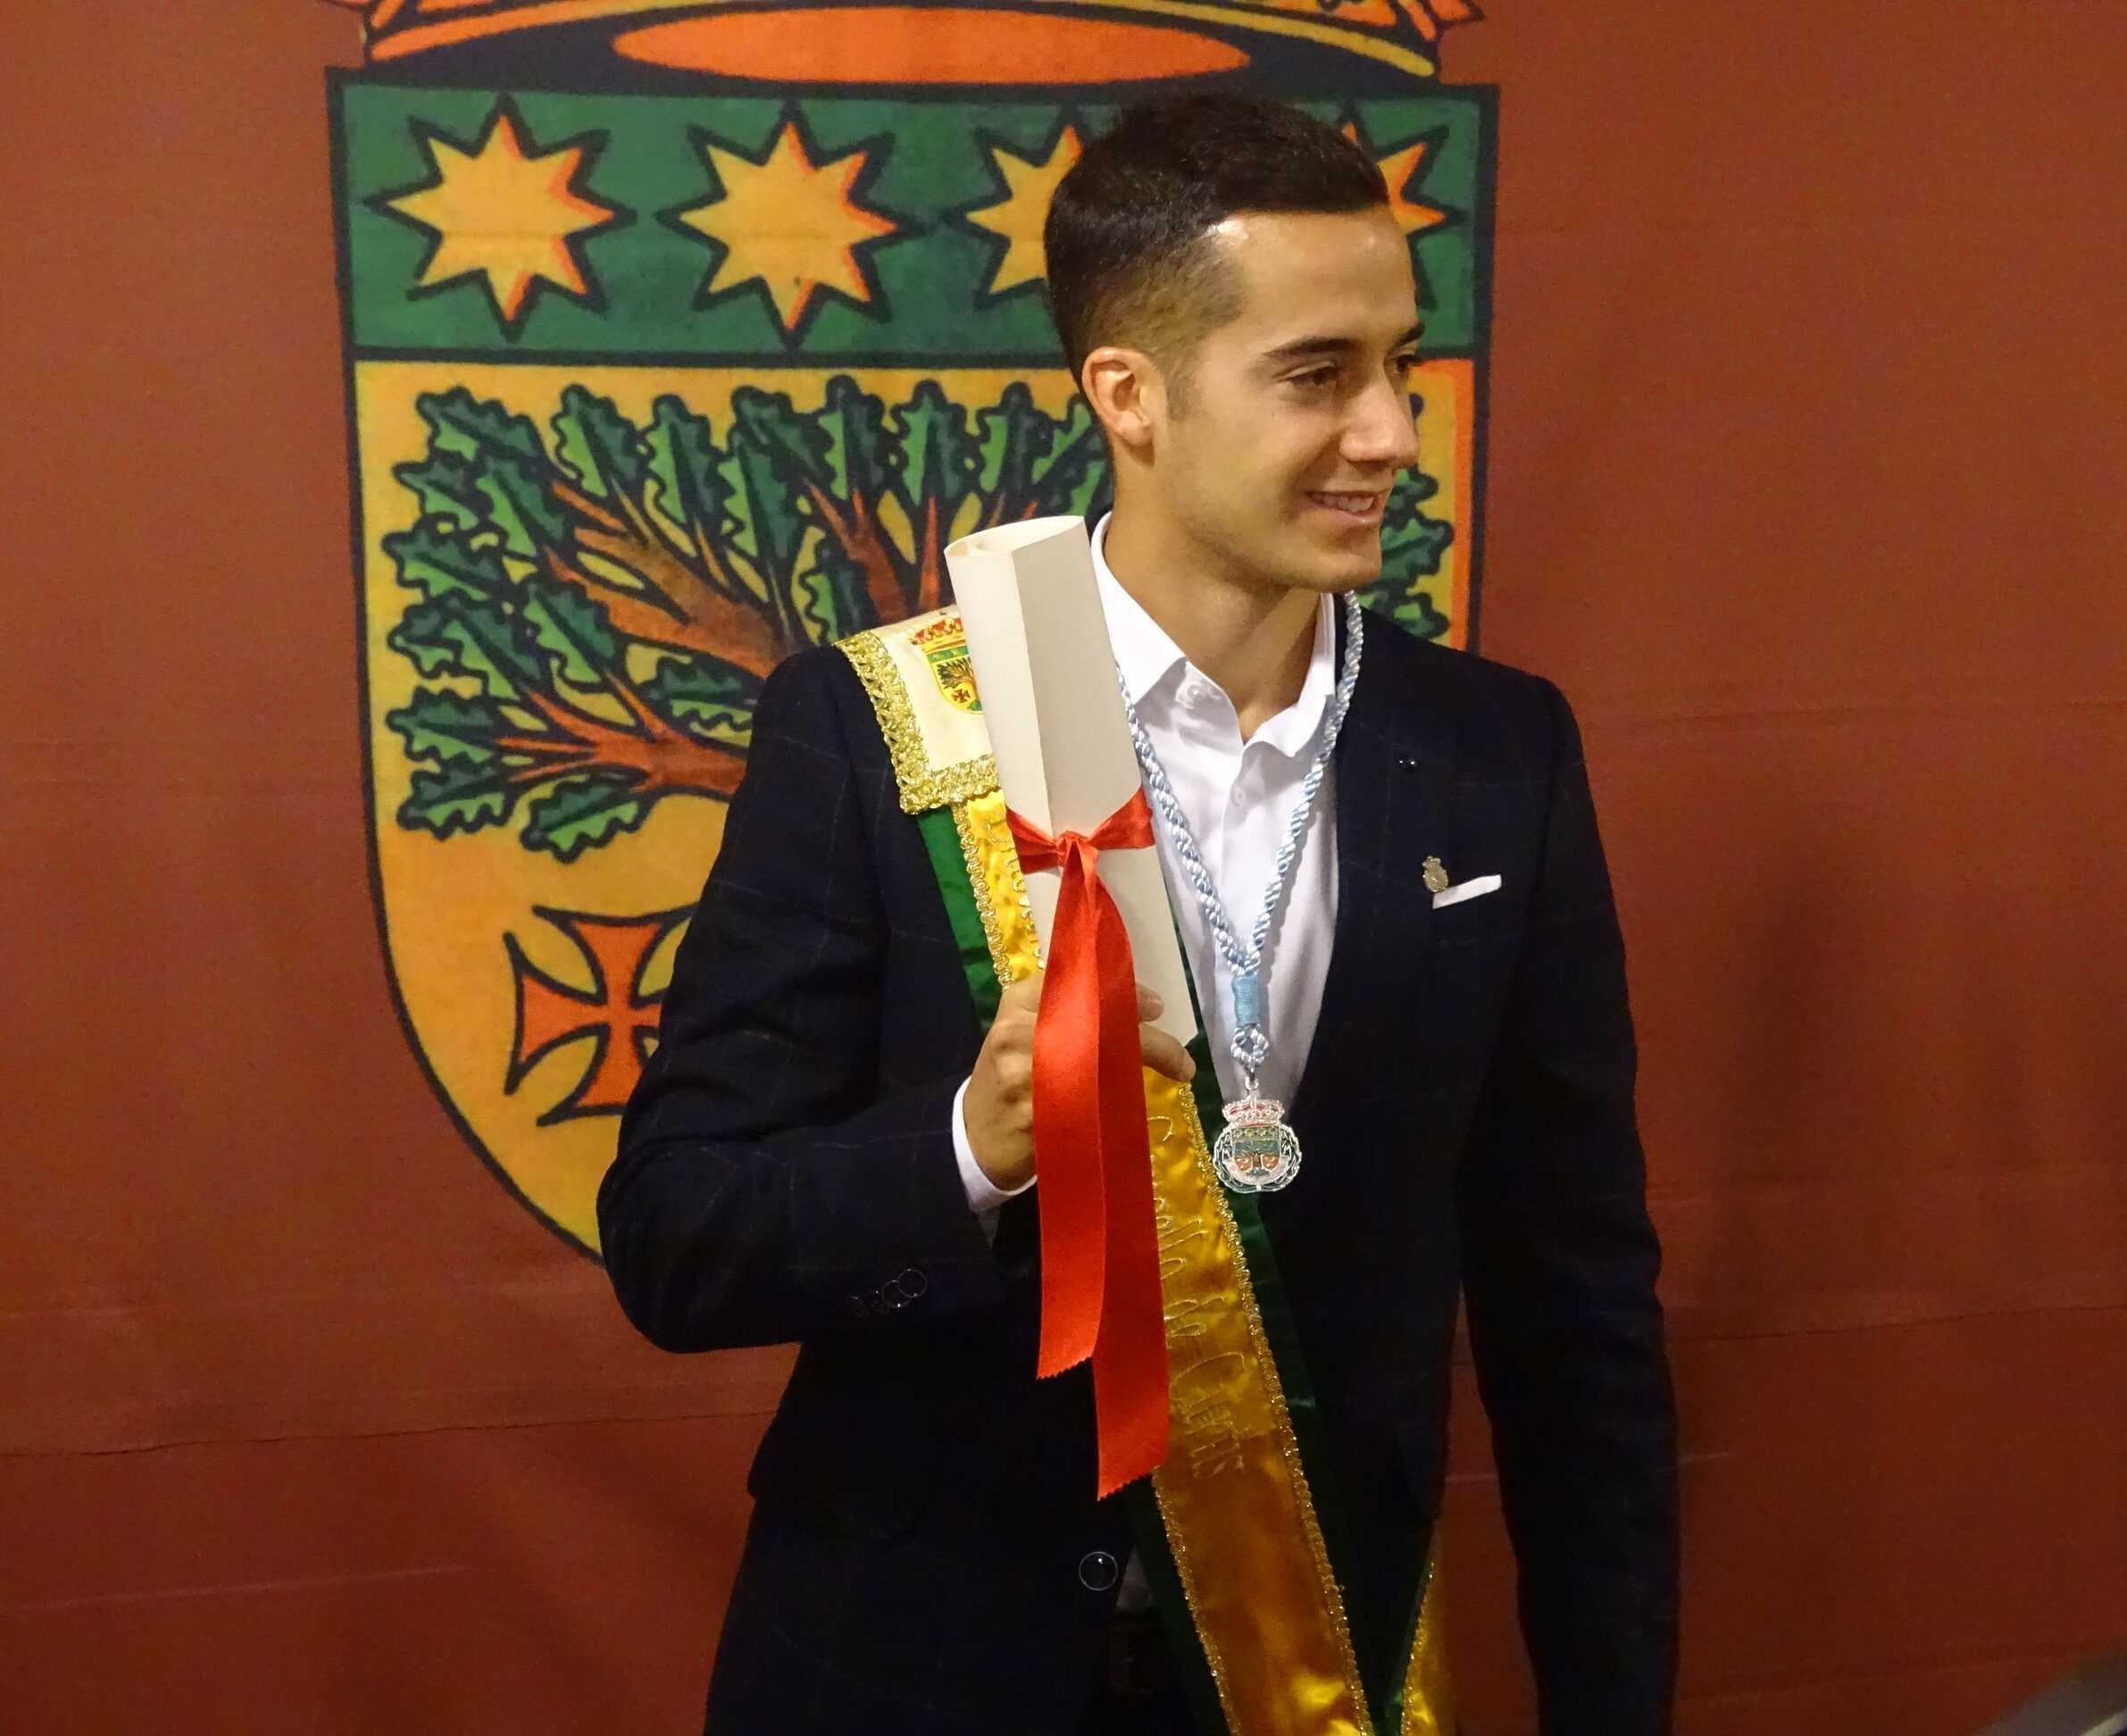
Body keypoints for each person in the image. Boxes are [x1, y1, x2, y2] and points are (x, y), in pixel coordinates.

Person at [600, 93, 1677, 1736]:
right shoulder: (874, 724)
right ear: (1130, 394)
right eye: (1317, 374)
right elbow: (679, 1238)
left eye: (1399, 364)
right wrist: (971, 1145)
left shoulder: (1497, 755)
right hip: (914, 1671)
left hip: (1310, 1666)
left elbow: (1573, 1305)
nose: (1390, 433)